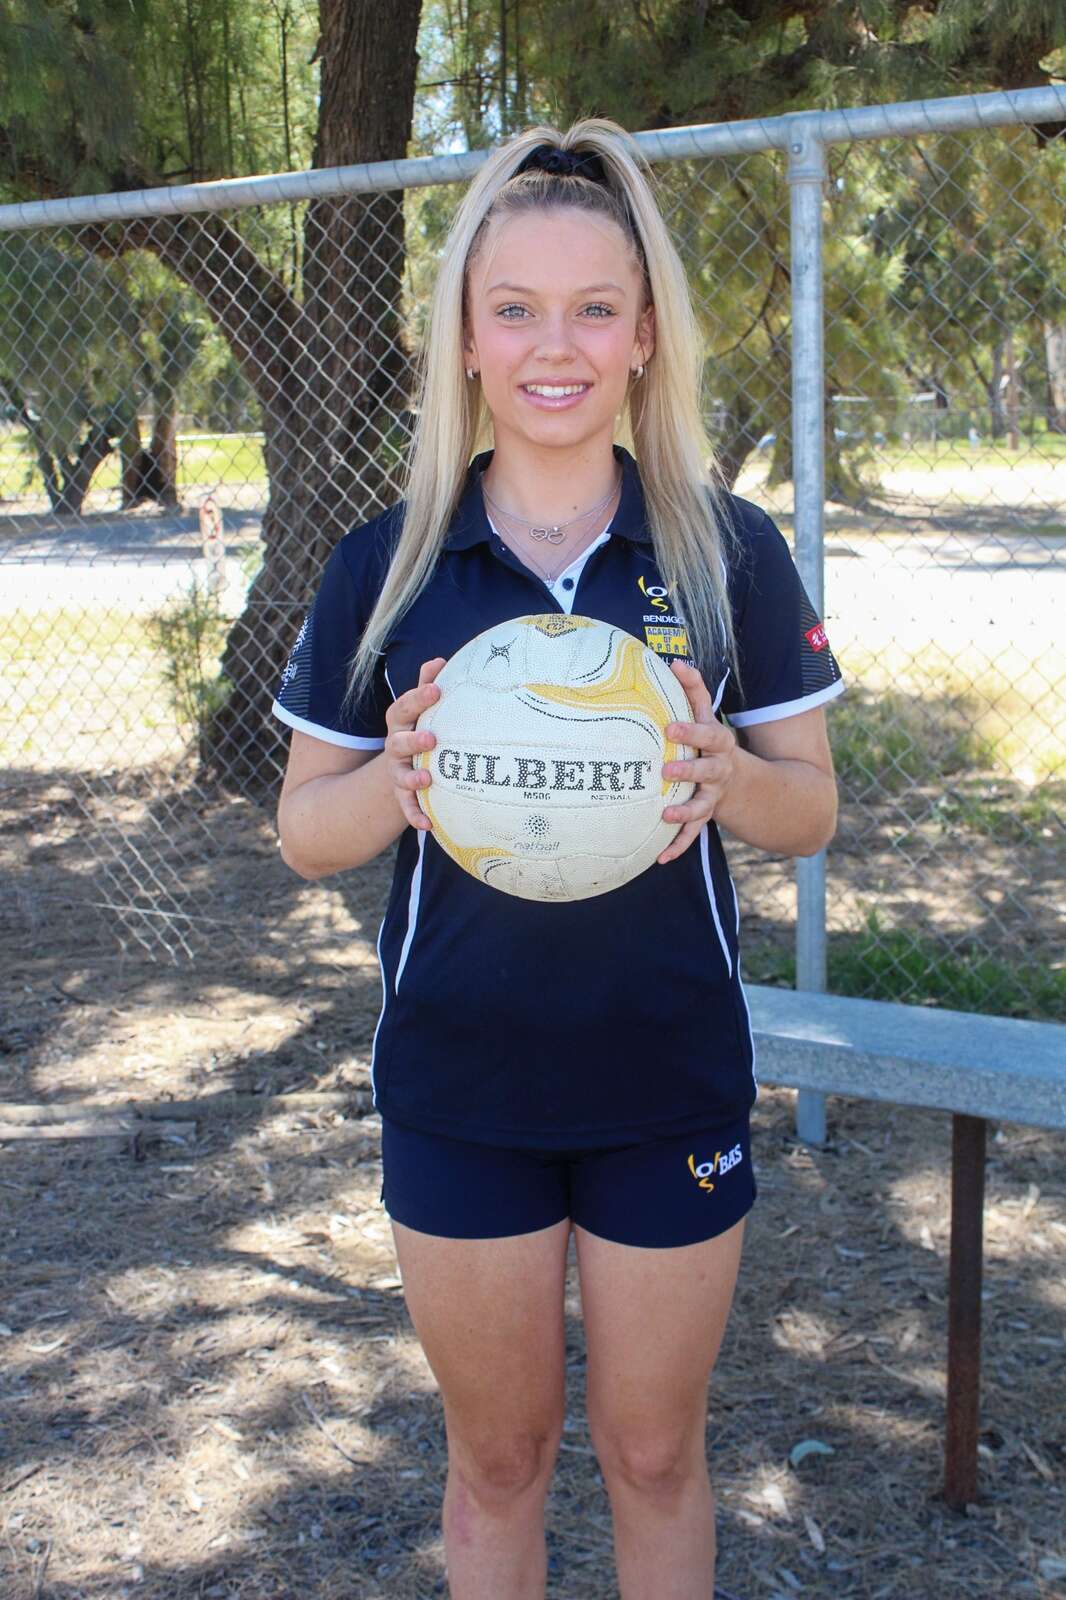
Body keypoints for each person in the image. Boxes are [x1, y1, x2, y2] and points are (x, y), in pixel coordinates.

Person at [273, 118, 843, 1600]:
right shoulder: (387, 566)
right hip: (461, 1085)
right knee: (499, 1465)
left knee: (654, 1456)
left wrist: (727, 780)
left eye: (595, 308)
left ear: (645, 336)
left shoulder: (722, 552)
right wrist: (400, 781)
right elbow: (302, 833)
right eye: (514, 307)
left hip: (666, 1078)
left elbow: (810, 811)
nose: (555, 345)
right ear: (463, 338)